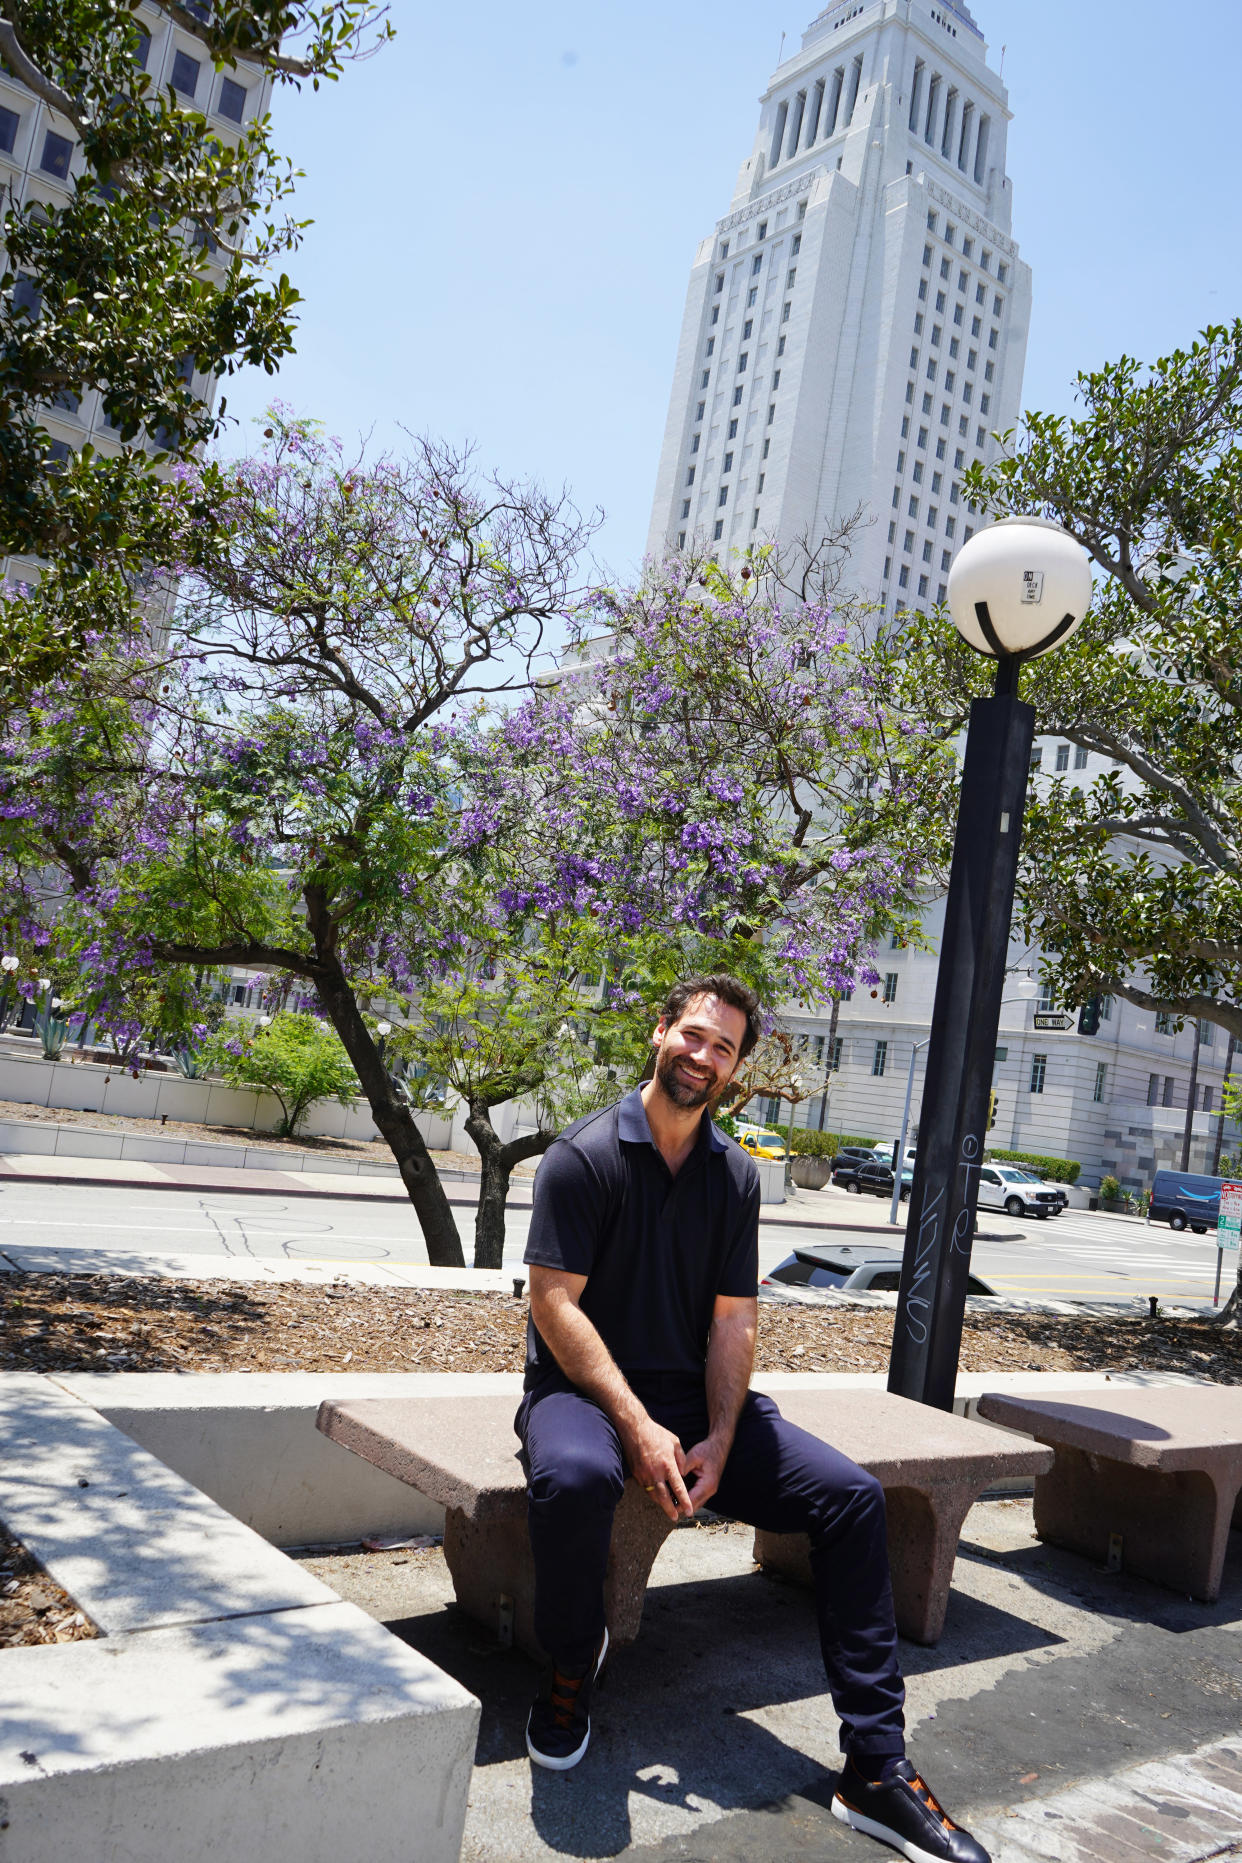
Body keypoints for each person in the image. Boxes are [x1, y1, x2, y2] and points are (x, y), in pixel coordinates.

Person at [516, 973, 990, 1863]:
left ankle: (875, 1769)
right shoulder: (583, 1157)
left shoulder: (734, 1176)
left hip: (697, 1399)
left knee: (850, 1497)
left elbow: (735, 1318)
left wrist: (724, 1437)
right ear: (659, 1033)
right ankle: (573, 1663)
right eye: (692, 1034)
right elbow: (555, 1305)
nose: (704, 1054)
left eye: (724, 1046)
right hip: (581, 1394)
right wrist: (635, 1424)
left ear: (736, 1068)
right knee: (574, 1476)